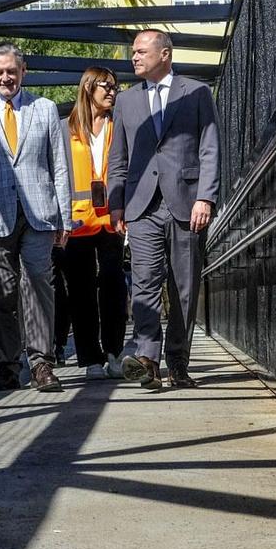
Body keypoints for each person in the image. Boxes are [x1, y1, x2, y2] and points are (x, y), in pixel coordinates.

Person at [0, 44, 74, 393]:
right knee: (1, 293)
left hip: (39, 215)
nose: (6, 77)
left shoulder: (45, 109)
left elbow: (59, 167)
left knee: (38, 286)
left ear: (23, 72)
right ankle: (7, 365)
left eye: (12, 71)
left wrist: (64, 218)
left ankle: (42, 365)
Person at [106, 30, 218, 390]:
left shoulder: (197, 92)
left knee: (184, 286)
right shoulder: (126, 101)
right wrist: (116, 203)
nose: (134, 57)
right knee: (144, 285)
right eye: (133, 52)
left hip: (187, 202)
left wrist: (207, 196)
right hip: (141, 207)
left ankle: (179, 363)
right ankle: (147, 360)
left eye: (141, 51)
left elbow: (210, 148)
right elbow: (118, 158)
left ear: (165, 54)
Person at [60, 65, 128, 381]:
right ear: (88, 87)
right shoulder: (64, 129)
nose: (112, 91)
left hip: (112, 219)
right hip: (76, 222)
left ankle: (114, 351)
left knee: (114, 283)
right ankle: (90, 358)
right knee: (81, 289)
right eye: (106, 86)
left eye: (115, 86)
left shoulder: (120, 127)